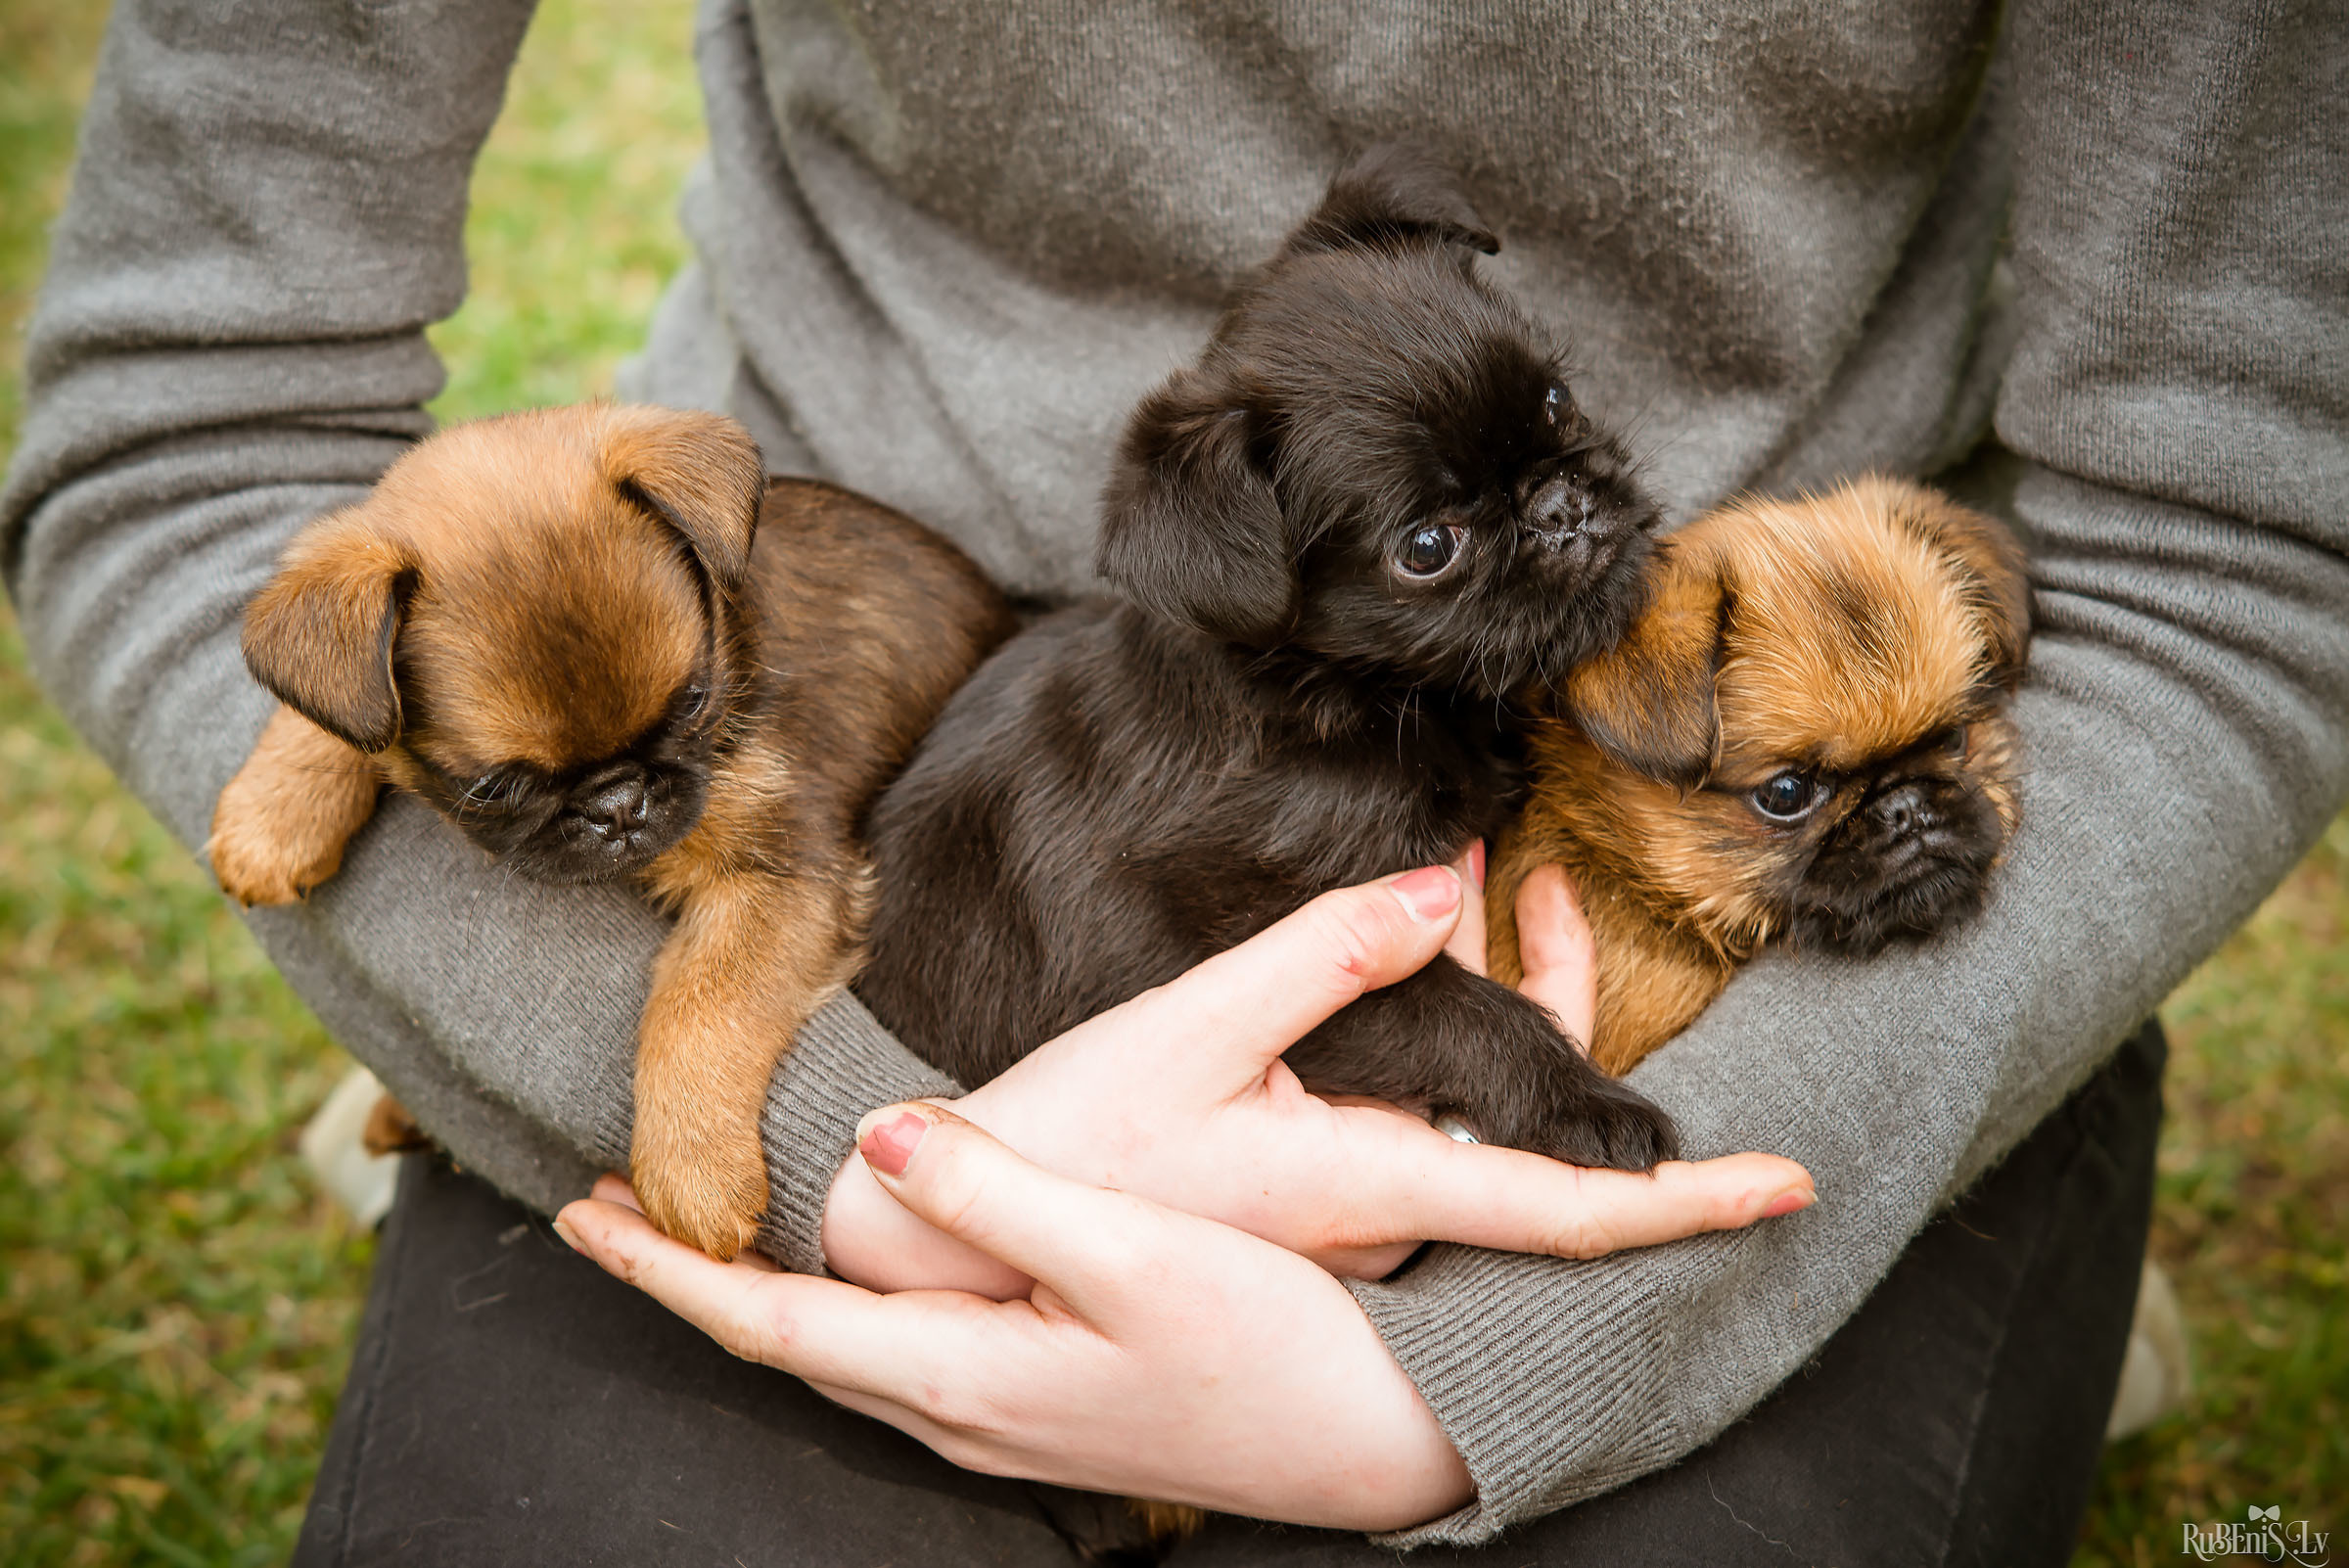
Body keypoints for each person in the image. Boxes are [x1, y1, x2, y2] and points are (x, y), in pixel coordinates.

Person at [3, 0, 2342, 1562]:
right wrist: (846, 1148)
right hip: (847, 845)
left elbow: (2246, 533)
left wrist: (1575, 1315)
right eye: (1455, 529)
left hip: (1761, 920)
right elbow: (178, 431)